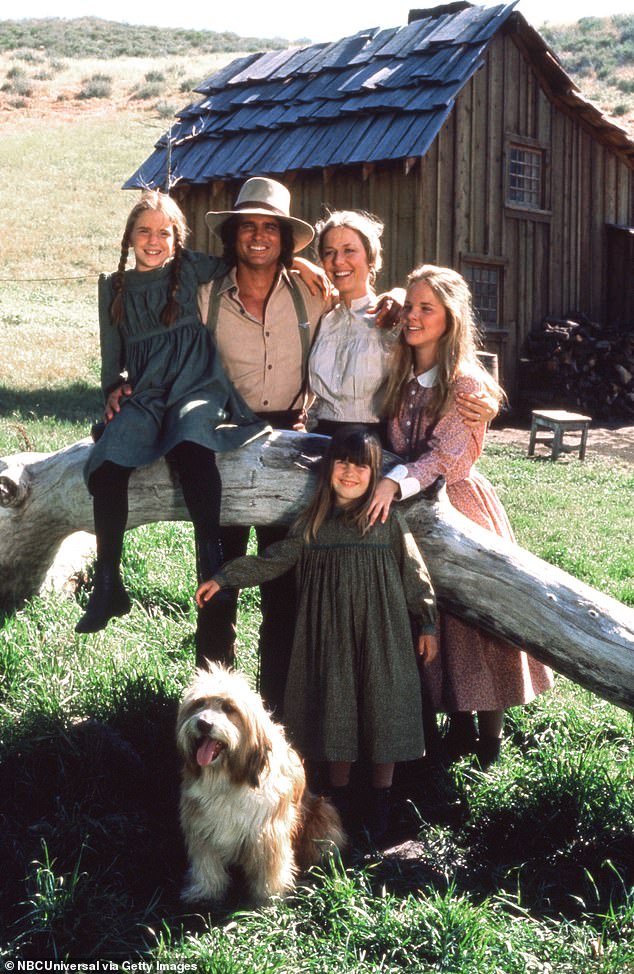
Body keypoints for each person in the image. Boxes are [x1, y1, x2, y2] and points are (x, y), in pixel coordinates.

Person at [195, 427, 438, 842]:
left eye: (361, 466)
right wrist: (225, 577)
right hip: (331, 638)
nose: (350, 472)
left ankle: (381, 801)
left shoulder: (388, 521)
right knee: (336, 711)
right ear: (328, 470)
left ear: (374, 473)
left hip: (383, 636)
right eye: (342, 463)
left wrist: (428, 622)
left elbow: (415, 573)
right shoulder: (314, 524)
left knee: (384, 707)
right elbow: (273, 560)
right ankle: (337, 804)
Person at [368, 264, 553, 768]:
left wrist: (394, 480)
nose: (414, 317)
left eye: (427, 309)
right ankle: (456, 730)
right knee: (437, 622)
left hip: (461, 507)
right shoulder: (403, 371)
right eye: (411, 306)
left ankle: (489, 746)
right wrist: (390, 299)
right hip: (414, 514)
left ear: (450, 319)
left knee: (477, 624)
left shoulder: (467, 381)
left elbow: (446, 459)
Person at [77, 190, 269, 646]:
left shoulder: (192, 269)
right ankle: (108, 583)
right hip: (146, 393)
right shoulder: (115, 287)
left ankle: (211, 565)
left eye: (164, 232)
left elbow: (248, 261)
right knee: (107, 463)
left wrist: (302, 266)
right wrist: (112, 389)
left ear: (177, 238)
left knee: (191, 444)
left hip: (196, 384)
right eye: (144, 230)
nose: (153, 239)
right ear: (129, 236)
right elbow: (111, 356)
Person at [307, 209, 498, 445]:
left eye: (349, 250)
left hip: (376, 445)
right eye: (329, 253)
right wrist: (297, 262)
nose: (338, 261)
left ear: (371, 258)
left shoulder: (394, 317)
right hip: (321, 440)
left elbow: (449, 357)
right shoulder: (322, 319)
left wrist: (488, 402)